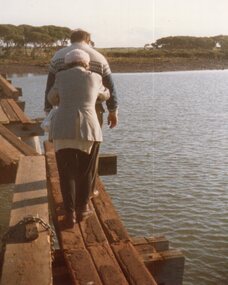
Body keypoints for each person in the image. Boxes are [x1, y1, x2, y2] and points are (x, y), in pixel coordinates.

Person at [47, 49, 110, 227]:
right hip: (88, 129)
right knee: (85, 172)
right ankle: (82, 210)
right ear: (86, 64)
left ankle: (69, 215)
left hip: (62, 129)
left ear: (67, 64)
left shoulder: (60, 76)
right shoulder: (95, 77)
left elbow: (52, 99)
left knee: (66, 175)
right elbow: (106, 95)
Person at [45, 28, 118, 128]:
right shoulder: (99, 58)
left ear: (71, 40)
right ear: (88, 40)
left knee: (65, 138)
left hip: (64, 108)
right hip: (93, 108)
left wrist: (48, 111)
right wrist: (113, 111)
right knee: (92, 138)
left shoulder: (57, 57)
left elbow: (50, 86)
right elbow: (110, 87)